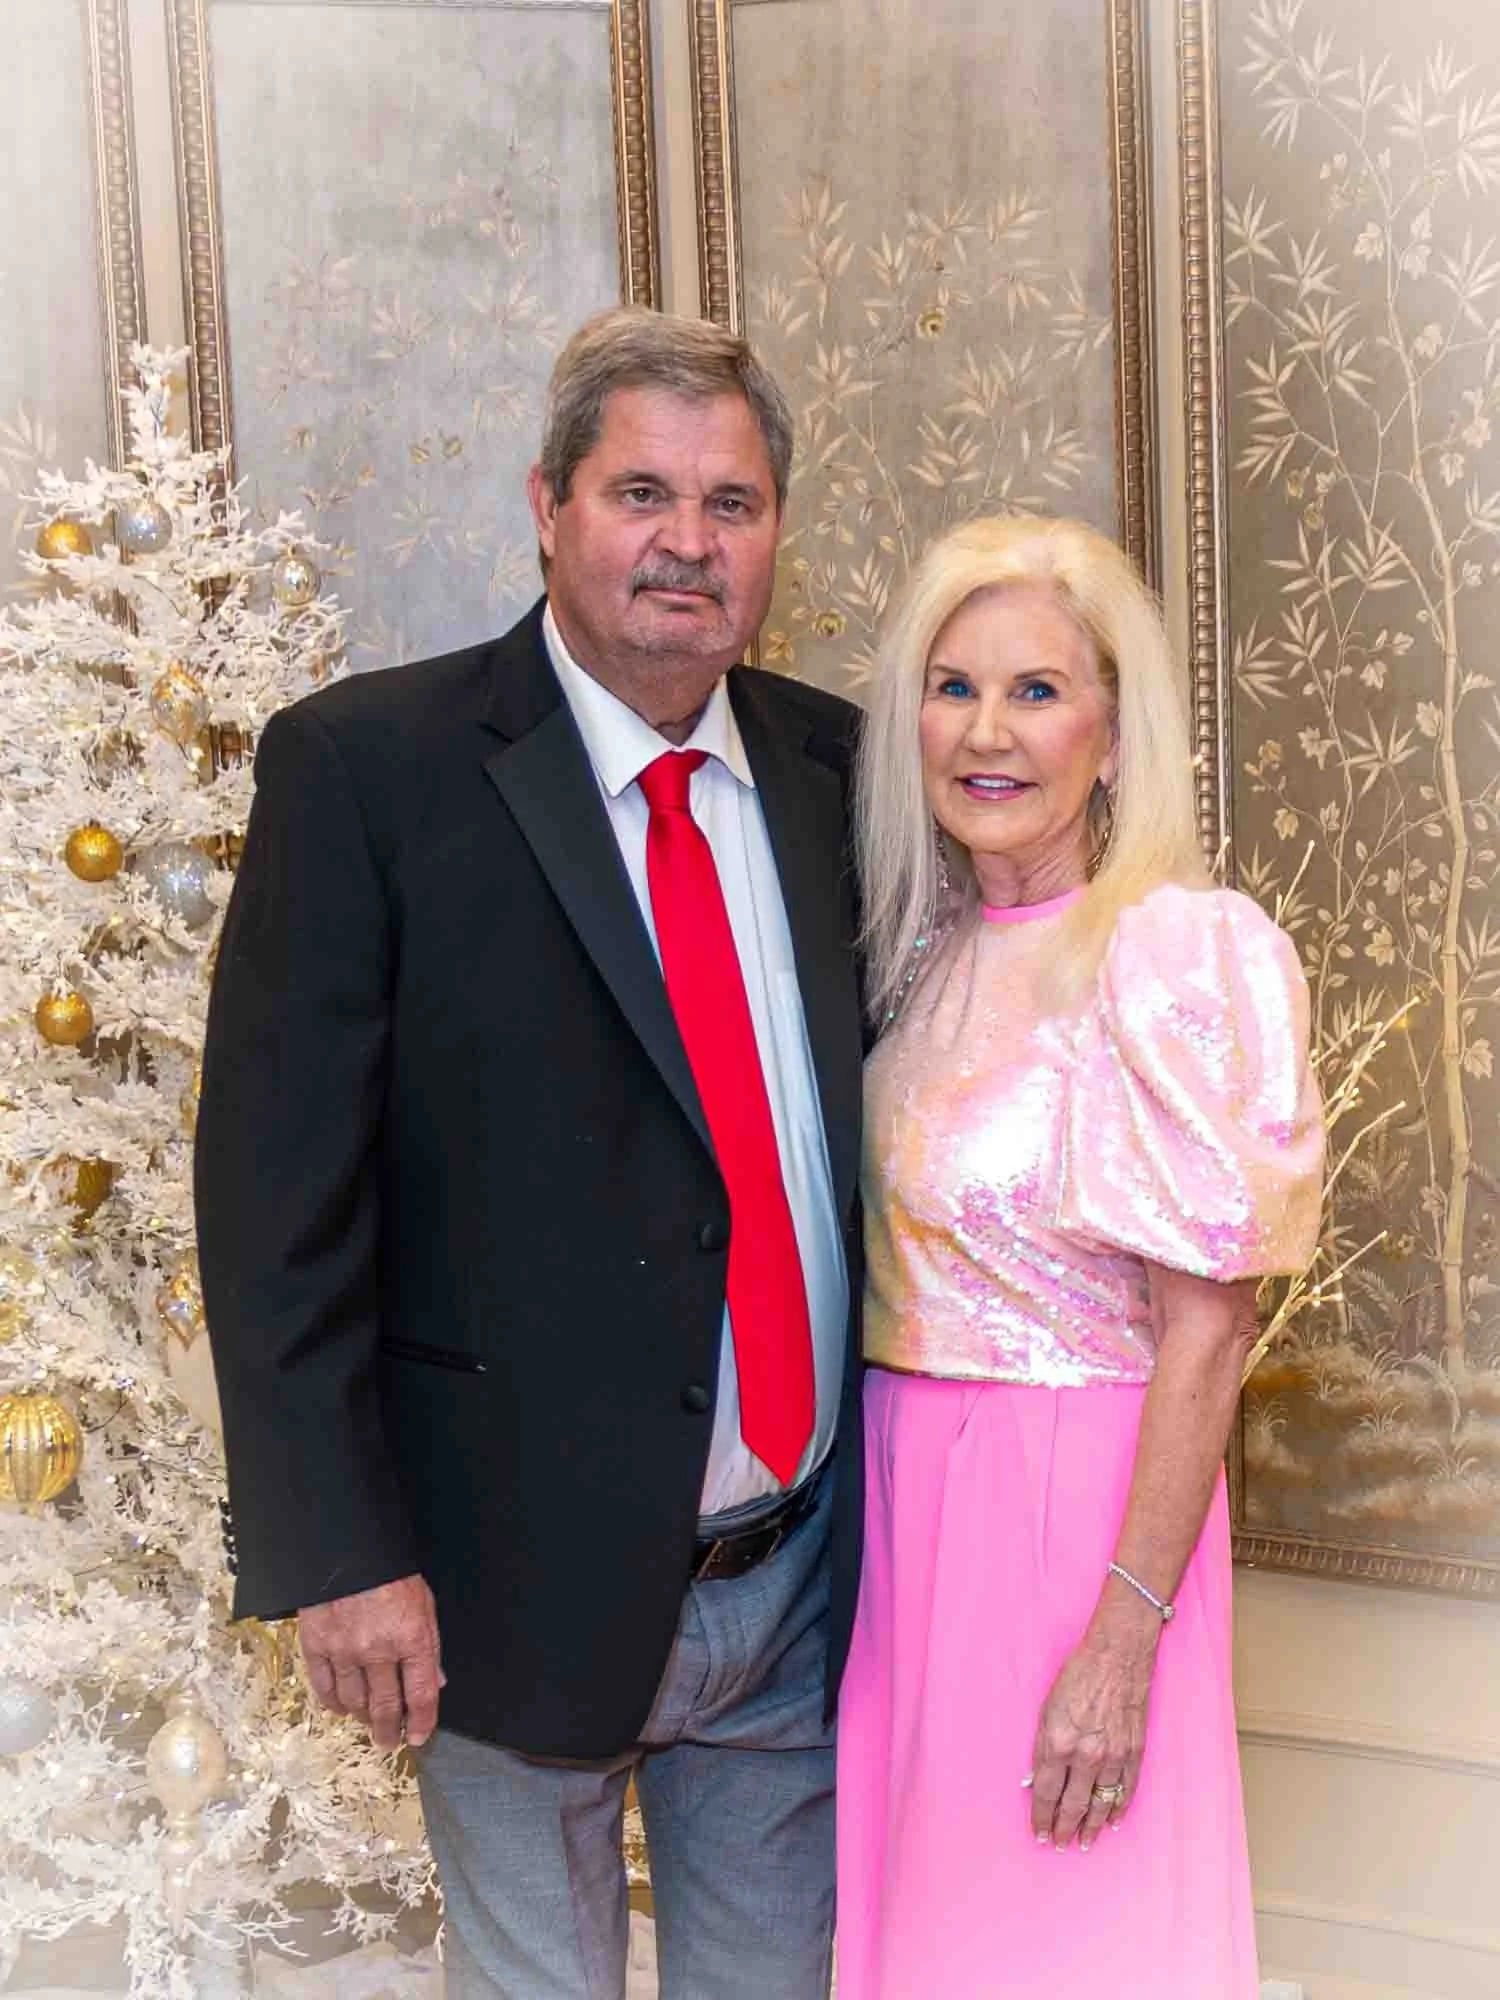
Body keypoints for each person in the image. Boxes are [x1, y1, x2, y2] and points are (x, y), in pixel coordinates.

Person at [194, 307, 866, 2000]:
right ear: (548, 507)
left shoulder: (840, 773)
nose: (687, 542)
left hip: (795, 1580)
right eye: (642, 493)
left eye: (731, 503)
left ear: (775, 532)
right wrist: (340, 1553)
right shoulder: (368, 772)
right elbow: (276, 1207)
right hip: (499, 1586)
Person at [835, 515, 1324, 1997]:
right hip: (904, 1513)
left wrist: (1121, 1641)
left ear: (1112, 737)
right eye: (954, 687)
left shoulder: (1171, 951)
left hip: (1079, 1528)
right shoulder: (915, 952)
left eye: (1037, 691)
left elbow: (1210, 1334)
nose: (987, 731)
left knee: (1064, 1942)